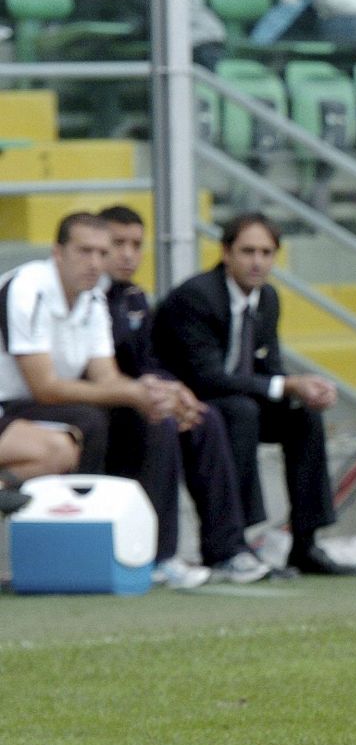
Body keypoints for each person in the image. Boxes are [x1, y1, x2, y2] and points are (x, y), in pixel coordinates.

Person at [0, 213, 221, 584]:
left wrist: (152, 394)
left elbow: (106, 376)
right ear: (57, 252)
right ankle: (81, 548)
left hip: (29, 408)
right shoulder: (29, 287)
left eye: (101, 253)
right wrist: (135, 392)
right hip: (14, 402)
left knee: (151, 419)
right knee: (88, 423)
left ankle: (155, 554)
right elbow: (45, 387)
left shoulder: (93, 299)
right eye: (84, 251)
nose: (94, 262)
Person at [152, 213, 356, 578]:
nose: (257, 261)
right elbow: (207, 378)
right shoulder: (197, 297)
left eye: (266, 253)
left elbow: (270, 369)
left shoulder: (267, 299)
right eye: (248, 251)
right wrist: (286, 384)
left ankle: (305, 543)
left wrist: (303, 389)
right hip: (188, 403)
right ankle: (232, 545)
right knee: (240, 412)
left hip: (235, 400)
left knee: (302, 415)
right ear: (225, 252)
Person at [99, 206, 273, 585]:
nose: (128, 254)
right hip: (101, 404)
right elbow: (95, 371)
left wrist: (176, 390)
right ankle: (160, 554)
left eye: (136, 245)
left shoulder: (133, 299)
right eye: (117, 244)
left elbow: (147, 362)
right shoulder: (88, 299)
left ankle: (227, 549)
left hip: (133, 397)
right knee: (161, 417)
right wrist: (157, 393)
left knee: (204, 417)